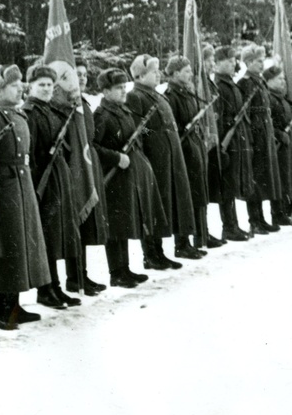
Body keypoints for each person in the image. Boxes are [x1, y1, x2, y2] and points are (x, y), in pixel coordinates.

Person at [0, 64, 51, 329]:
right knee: (2, 253)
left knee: (19, 250)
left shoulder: (18, 116)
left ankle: (14, 306)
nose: (21, 88)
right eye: (13, 85)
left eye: (20, 83)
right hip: (2, 192)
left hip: (21, 190)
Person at [22, 64, 83, 309]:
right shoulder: (30, 113)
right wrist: (38, 184)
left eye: (49, 85)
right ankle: (45, 290)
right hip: (43, 181)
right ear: (31, 87)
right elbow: (32, 153)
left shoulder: (50, 111)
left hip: (58, 178)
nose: (47, 89)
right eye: (41, 85)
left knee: (57, 234)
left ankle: (55, 287)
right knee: (46, 235)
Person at [126, 54, 195, 266]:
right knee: (154, 204)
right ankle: (151, 253)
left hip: (170, 155)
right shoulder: (136, 96)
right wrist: (153, 136)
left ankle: (166, 249)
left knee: (170, 201)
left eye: (157, 71)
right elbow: (138, 127)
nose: (158, 75)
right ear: (139, 75)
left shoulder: (158, 96)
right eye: (152, 72)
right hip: (154, 156)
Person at [92, 67, 156, 287]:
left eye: (123, 87)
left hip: (126, 176)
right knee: (115, 226)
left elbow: (133, 134)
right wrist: (115, 157)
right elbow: (94, 147)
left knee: (125, 222)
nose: (123, 92)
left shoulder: (124, 110)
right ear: (105, 91)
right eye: (118, 88)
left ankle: (125, 268)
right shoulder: (101, 115)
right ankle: (115, 273)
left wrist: (145, 131)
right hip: (112, 177)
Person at [164, 55, 222, 251]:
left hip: (195, 147)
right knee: (186, 196)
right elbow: (168, 127)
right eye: (187, 71)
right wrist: (183, 130)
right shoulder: (171, 96)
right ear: (176, 73)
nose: (190, 74)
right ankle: (183, 241)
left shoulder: (187, 93)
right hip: (184, 151)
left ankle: (201, 234)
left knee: (200, 191)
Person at [61, 62, 110, 295]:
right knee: (76, 223)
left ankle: (83, 274)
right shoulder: (65, 106)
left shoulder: (84, 104)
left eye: (83, 75)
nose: (81, 78)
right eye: (76, 75)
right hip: (75, 168)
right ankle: (74, 277)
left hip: (90, 165)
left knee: (87, 223)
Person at [208, 46, 254, 242]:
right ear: (217, 64)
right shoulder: (219, 85)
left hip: (236, 138)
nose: (233, 63)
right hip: (226, 139)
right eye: (228, 61)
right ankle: (228, 226)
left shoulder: (229, 83)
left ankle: (234, 224)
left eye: (234, 60)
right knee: (227, 185)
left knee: (233, 182)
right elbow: (217, 116)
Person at [238, 43, 283, 234]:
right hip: (255, 135)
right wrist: (253, 136)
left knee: (264, 177)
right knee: (254, 178)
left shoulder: (259, 81)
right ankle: (254, 220)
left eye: (262, 60)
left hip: (265, 132)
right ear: (247, 62)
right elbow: (245, 113)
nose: (261, 64)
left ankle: (262, 218)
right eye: (257, 61)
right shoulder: (245, 83)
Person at [264, 65, 292, 225]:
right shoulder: (269, 98)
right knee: (279, 178)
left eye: (284, 78)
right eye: (279, 79)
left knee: (289, 174)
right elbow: (269, 122)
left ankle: (288, 207)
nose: (283, 82)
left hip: (287, 141)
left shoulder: (281, 97)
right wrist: (278, 134)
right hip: (277, 143)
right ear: (269, 81)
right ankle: (278, 211)